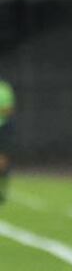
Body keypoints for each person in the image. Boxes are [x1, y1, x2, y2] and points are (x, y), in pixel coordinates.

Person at [0, 76, 14, 204]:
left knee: (2, 160)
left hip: (2, 127)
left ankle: (2, 189)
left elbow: (9, 110)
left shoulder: (4, 89)